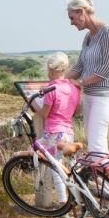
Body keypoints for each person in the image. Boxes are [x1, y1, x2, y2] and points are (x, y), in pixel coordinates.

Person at [65, 0, 109, 156]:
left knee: (96, 143)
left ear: (82, 12)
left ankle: (108, 181)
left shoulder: (108, 32)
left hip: (104, 96)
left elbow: (106, 69)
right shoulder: (88, 37)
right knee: (95, 141)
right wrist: (58, 79)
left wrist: (80, 83)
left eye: (72, 18)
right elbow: (80, 66)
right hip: (89, 95)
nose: (71, 23)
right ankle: (104, 180)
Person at [30, 52, 81, 207]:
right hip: (68, 132)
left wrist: (34, 105)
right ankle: (78, 198)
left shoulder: (50, 89)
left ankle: (63, 202)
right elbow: (76, 111)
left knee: (55, 168)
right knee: (68, 167)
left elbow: (45, 113)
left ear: (50, 70)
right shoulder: (74, 87)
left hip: (53, 133)